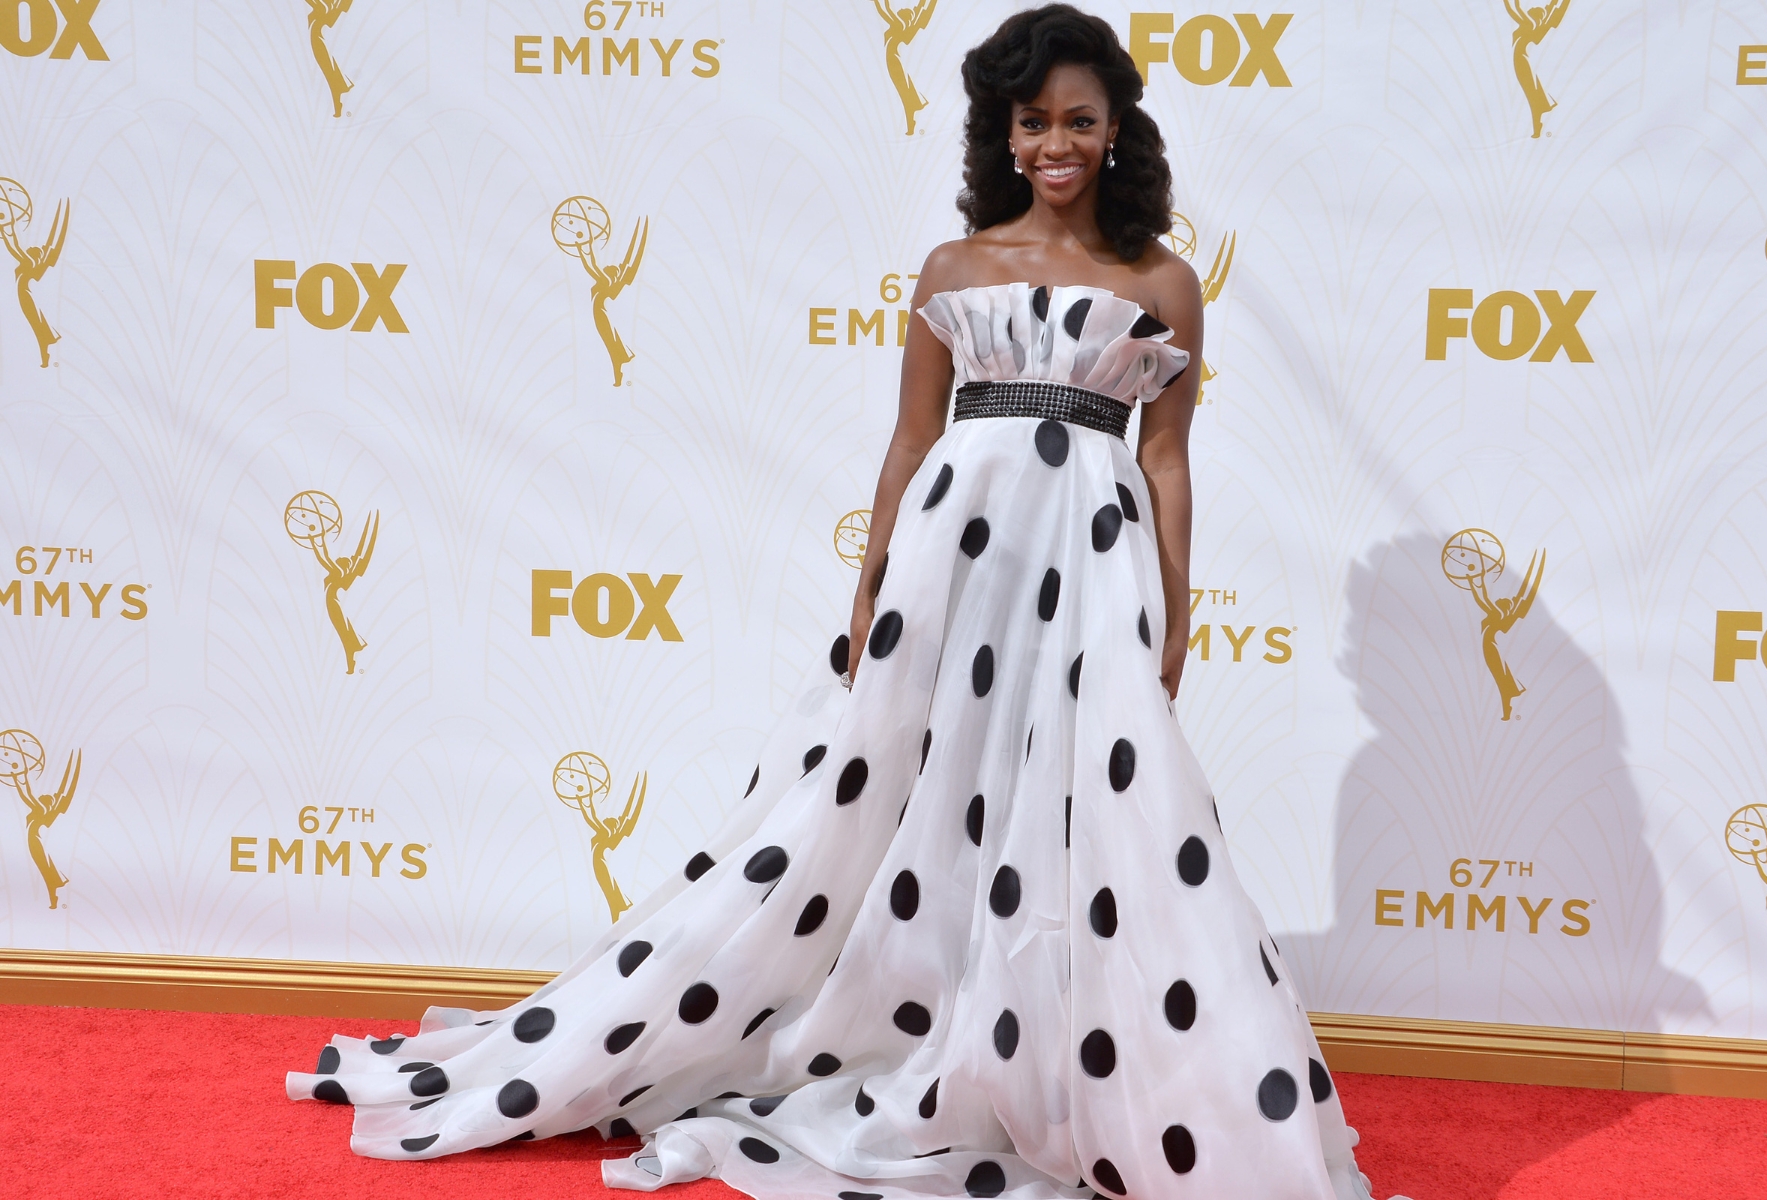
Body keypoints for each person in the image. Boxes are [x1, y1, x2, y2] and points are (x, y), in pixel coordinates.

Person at [288, 8, 1401, 1198]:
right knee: (896, 794)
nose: (1058, 143)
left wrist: (1174, 611)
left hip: (1095, 566)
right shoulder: (955, 270)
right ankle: (873, 1020)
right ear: (1004, 134)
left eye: (1081, 119)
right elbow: (914, 435)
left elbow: (1167, 456)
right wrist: (871, 586)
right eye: (1035, 122)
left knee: (1109, 811)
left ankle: (1093, 1077)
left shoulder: (1162, 281)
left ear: (1119, 128)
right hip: (952, 561)